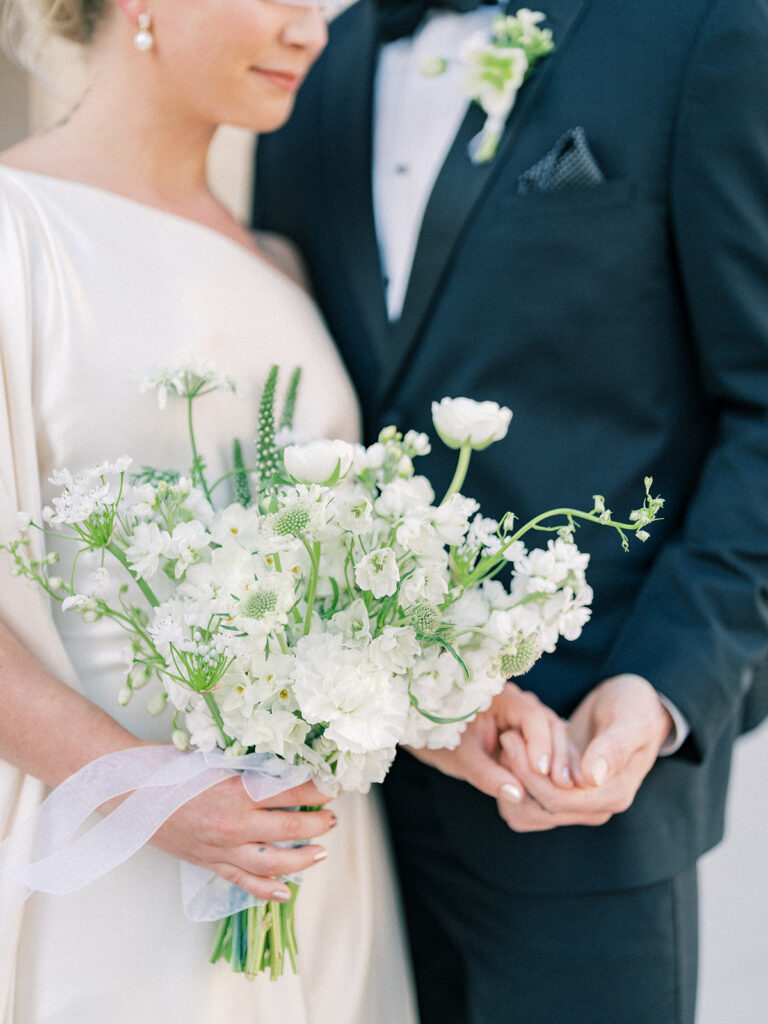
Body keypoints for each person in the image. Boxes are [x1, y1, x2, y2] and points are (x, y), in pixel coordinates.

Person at [253, 0, 768, 1021]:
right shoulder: (315, 56)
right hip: (335, 809)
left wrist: (663, 685)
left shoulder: (703, 28)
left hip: (577, 786)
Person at [0, 0, 423, 1020]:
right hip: (101, 852)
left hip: (305, 859)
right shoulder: (19, 231)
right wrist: (151, 795)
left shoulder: (284, 262)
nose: (313, 31)